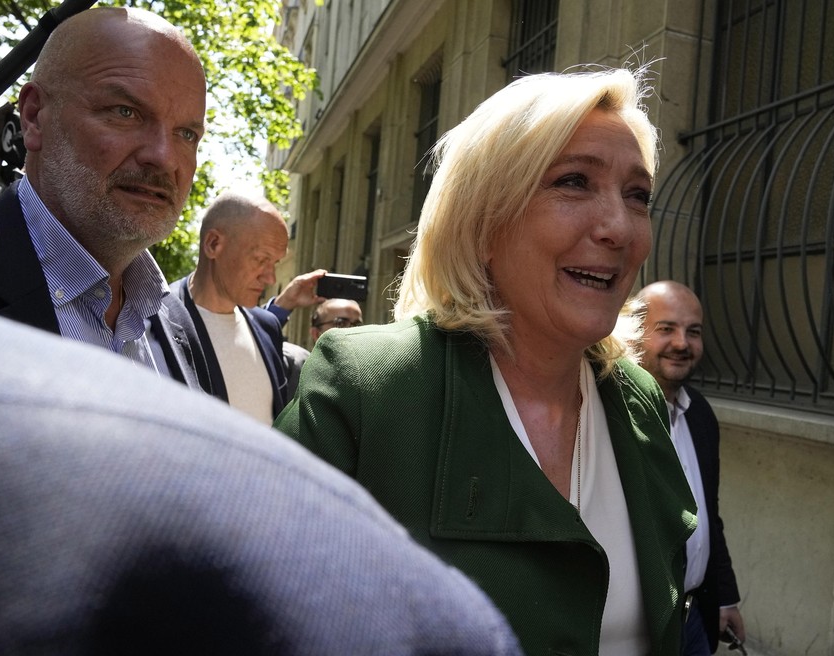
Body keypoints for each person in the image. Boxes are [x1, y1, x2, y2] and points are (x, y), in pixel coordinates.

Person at [276, 68, 696, 655]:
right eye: (573, 182)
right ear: (483, 221)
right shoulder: (367, 388)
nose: (620, 227)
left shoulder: (639, 400)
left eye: (638, 195)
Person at [0, 313, 521, 656]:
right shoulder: (358, 373)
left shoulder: (263, 332)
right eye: (572, 183)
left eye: (190, 134)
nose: (609, 227)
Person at [0, 7, 212, 392]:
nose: (164, 157)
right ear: (34, 117)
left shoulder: (178, 323)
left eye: (186, 134)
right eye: (126, 112)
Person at [630, 281, 746, 655]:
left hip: (695, 619)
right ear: (635, 331)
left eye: (693, 332)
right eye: (666, 329)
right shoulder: (611, 414)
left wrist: (725, 599)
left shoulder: (700, 414)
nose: (682, 343)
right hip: (635, 629)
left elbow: (709, 515)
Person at [171, 192, 326, 423]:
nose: (271, 278)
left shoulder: (267, 326)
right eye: (261, 259)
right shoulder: (155, 319)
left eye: (274, 263)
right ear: (214, 244)